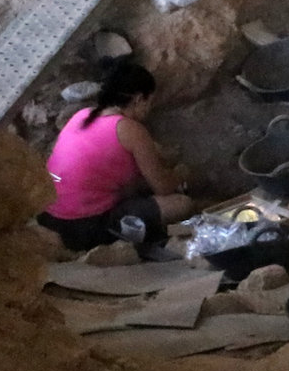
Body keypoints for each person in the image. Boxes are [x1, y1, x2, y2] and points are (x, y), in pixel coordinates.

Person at [36, 62, 194, 250]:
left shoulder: (82, 115)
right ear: (138, 99)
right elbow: (163, 188)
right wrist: (181, 173)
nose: (149, 109)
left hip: (47, 215)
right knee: (181, 205)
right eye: (149, 102)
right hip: (82, 227)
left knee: (131, 188)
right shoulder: (130, 130)